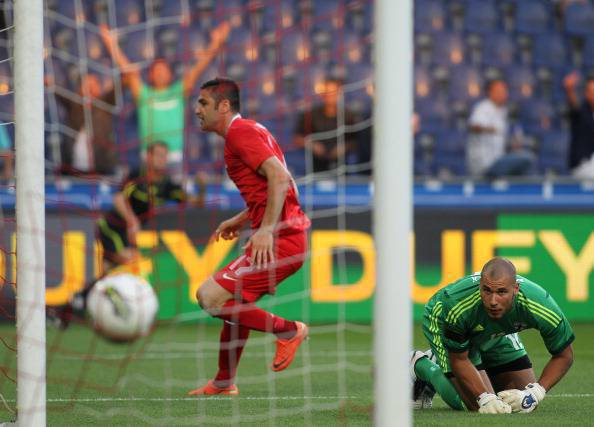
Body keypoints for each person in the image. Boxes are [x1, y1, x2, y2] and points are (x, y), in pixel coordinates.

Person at [189, 77, 311, 395]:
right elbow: (273, 184)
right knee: (236, 305)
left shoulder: (239, 133)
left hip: (282, 239)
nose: (197, 109)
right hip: (286, 235)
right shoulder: (251, 129)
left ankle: (289, 331)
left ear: (223, 106)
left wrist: (266, 229)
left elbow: (279, 177)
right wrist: (243, 218)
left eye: (203, 103)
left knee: (209, 297)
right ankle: (223, 381)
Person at [48, 141, 205, 328]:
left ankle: (69, 309)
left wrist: (202, 188)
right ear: (148, 157)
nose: (162, 159)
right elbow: (118, 198)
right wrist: (132, 220)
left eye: (164, 156)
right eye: (158, 155)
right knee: (130, 261)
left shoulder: (167, 185)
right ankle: (121, 308)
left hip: (126, 234)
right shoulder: (137, 175)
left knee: (106, 276)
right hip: (111, 228)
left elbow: (197, 203)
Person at [411, 257, 574, 413]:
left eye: (502, 292)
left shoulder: (540, 306)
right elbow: (459, 359)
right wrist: (484, 397)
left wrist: (535, 393)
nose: (493, 301)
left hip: (497, 329)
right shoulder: (456, 306)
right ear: (480, 286)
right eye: (487, 290)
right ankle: (422, 365)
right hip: (447, 323)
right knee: (475, 405)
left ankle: (478, 374)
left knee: (521, 401)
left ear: (515, 289)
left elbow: (565, 355)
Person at [99, 22, 230, 179]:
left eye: (163, 69)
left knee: (175, 193)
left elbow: (198, 68)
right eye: (156, 70)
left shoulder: (178, 91)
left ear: (170, 74)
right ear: (151, 75)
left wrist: (215, 43)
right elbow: (128, 71)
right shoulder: (144, 94)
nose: (160, 73)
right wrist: (110, 43)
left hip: (174, 159)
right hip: (149, 158)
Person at [467, 79, 535, 179]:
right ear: (490, 92)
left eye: (504, 91)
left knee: (523, 160)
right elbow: (473, 126)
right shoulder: (483, 108)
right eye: (499, 91)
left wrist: (511, 145)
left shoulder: (502, 111)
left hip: (498, 160)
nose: (503, 94)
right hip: (485, 164)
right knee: (527, 158)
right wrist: (490, 130)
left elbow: (500, 139)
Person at [52, 73, 118, 175]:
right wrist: (51, 83)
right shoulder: (74, 106)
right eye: (87, 85)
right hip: (74, 171)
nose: (90, 89)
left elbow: (117, 89)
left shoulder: (105, 105)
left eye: (93, 85)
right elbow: (60, 93)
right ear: (80, 89)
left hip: (101, 170)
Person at [293, 77, 360, 174]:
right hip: (315, 167)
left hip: (342, 167)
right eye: (327, 92)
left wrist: (344, 147)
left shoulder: (349, 116)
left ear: (340, 94)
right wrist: (312, 144)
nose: (330, 96)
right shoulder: (311, 115)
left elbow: (357, 141)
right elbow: (297, 138)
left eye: (333, 92)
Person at [563, 71, 594, 179]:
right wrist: (569, 90)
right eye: (591, 91)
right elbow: (574, 107)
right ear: (586, 94)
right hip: (582, 165)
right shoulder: (582, 111)